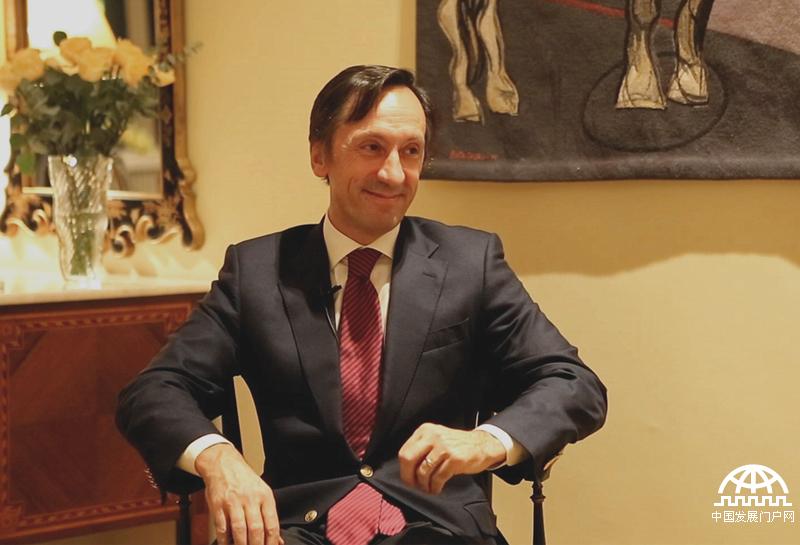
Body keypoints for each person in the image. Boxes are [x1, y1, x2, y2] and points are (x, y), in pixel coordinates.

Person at [117, 64, 607, 545]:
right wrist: (218, 458)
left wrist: (487, 441)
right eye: (372, 147)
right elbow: (154, 390)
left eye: (411, 151)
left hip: (436, 528)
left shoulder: (470, 262)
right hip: (297, 528)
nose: (393, 173)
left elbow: (574, 383)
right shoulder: (257, 271)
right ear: (320, 156)